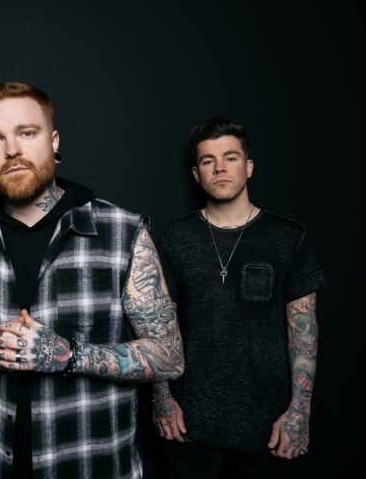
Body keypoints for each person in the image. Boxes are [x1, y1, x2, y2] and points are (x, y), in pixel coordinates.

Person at [0, 81, 184, 479]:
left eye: (27, 133)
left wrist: (69, 356)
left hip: (94, 467)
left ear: (54, 141)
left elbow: (169, 355)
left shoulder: (122, 232)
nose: (11, 150)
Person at [151, 117, 326, 478]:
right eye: (208, 160)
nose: (220, 168)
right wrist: (162, 398)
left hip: (270, 427)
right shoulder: (174, 239)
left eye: (230, 158)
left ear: (248, 167)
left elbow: (304, 332)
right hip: (188, 424)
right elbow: (157, 325)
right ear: (196, 174)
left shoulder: (288, 237)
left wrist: (299, 412)